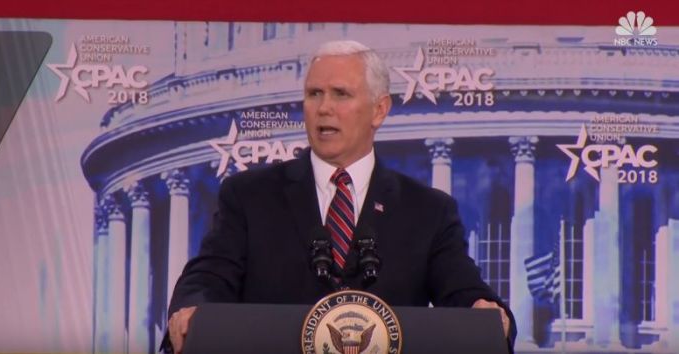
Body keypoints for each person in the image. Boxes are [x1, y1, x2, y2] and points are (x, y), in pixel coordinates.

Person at [165, 40, 516, 353]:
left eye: (340, 94)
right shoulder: (249, 195)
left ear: (379, 109)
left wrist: (483, 311)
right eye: (314, 94)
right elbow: (210, 275)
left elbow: (461, 289)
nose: (323, 108)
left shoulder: (428, 210)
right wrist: (194, 308)